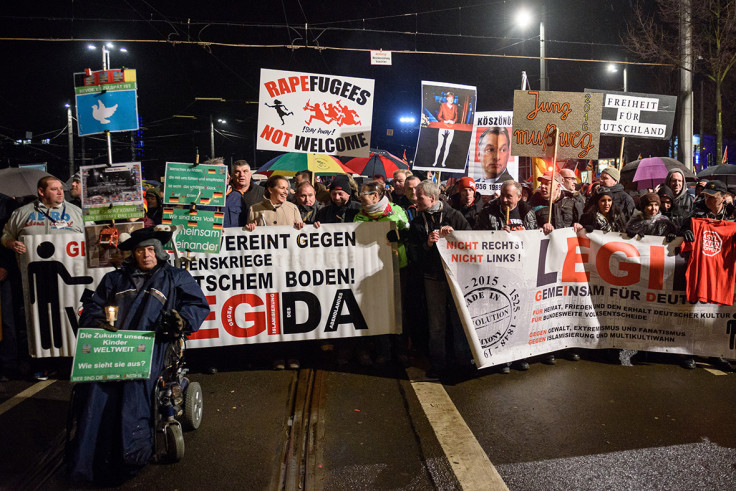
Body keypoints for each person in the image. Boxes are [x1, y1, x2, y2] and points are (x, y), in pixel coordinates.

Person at [67, 227, 210, 484]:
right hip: (114, 345)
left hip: (155, 344)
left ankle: (132, 454)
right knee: (94, 389)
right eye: (141, 250)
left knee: (136, 387)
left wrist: (180, 320)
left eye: (151, 250)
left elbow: (197, 305)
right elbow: (92, 308)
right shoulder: (114, 279)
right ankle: (90, 458)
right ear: (133, 254)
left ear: (160, 252)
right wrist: (100, 322)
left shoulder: (175, 276)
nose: (146, 255)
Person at [408, 180, 472, 378]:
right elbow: (412, 253)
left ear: (432, 198)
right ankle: (438, 363)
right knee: (436, 324)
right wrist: (427, 244)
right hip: (432, 277)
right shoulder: (418, 222)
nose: (415, 200)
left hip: (454, 278)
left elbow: (471, 243)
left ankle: (462, 362)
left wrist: (455, 237)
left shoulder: (454, 216)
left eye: (419, 197)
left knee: (458, 321)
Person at [246, 175, 305, 370]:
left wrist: (302, 229)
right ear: (270, 189)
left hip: (290, 271)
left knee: (292, 313)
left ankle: (293, 354)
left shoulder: (293, 209)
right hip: (268, 273)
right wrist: (249, 229)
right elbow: (247, 243)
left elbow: (303, 241)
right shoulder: (255, 209)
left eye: (287, 188)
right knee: (273, 315)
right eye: (282, 187)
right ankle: (277, 356)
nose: (286, 191)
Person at [353, 180, 410, 365]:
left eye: (363, 194)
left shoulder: (395, 211)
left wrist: (392, 221)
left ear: (375, 196)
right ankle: (383, 351)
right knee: (378, 311)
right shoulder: (359, 216)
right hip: (371, 272)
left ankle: (401, 351)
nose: (359, 198)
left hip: (396, 268)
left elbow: (407, 229)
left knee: (398, 312)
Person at [2, 176, 84, 255]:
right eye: (54, 189)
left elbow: (91, 234)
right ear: (41, 192)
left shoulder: (77, 212)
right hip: (33, 267)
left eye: (61, 188)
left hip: (68, 266)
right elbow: (6, 235)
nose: (60, 192)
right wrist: (11, 243)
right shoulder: (21, 213)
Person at [225, 160, 264, 228]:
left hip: (255, 235)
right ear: (232, 175)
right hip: (231, 235)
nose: (241, 175)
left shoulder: (262, 192)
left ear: (250, 174)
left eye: (245, 171)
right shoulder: (224, 193)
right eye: (237, 172)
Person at [432, 92, 457, 168]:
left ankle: (443, 162)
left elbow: (456, 116)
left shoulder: (455, 106)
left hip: (451, 127)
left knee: (447, 146)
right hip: (443, 125)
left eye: (452, 98)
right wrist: (444, 121)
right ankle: (435, 161)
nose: (451, 99)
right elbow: (439, 116)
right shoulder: (443, 105)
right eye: (450, 98)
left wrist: (453, 121)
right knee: (439, 145)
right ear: (447, 98)